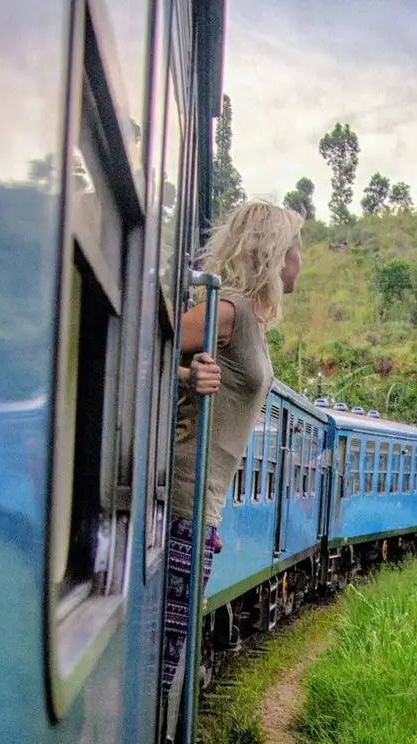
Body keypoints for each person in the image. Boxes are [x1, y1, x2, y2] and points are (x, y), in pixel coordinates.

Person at [161, 201, 304, 691]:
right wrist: (186, 375)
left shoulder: (251, 323)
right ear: (274, 254)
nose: (301, 260)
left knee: (169, 654)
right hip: (183, 499)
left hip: (201, 507)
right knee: (162, 661)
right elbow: (140, 342)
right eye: (296, 248)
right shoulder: (230, 311)